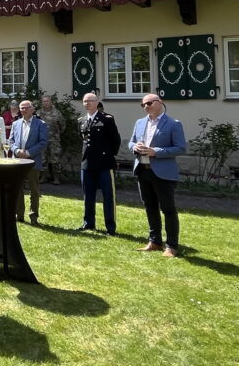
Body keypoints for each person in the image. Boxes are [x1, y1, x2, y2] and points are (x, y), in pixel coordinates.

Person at [128, 94, 186, 256]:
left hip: (163, 173)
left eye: (149, 103)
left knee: (168, 209)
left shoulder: (173, 124)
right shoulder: (140, 123)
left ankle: (171, 246)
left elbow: (180, 148)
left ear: (160, 103)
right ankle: (155, 241)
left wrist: (156, 152)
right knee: (150, 207)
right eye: (143, 105)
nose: (146, 106)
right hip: (143, 170)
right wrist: (135, 147)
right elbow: (131, 142)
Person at [77, 92, 119, 234]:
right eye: (85, 101)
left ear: (97, 102)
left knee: (108, 196)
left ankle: (110, 227)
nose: (87, 103)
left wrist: (108, 155)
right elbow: (83, 140)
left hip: (104, 164)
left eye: (90, 100)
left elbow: (115, 141)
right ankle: (88, 223)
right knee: (88, 195)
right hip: (87, 163)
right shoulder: (81, 120)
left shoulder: (107, 119)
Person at [9, 100, 48, 225]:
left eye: (26, 108)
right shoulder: (15, 124)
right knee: (17, 189)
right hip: (18, 161)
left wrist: (29, 153)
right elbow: (11, 141)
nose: (23, 110)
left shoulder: (40, 124)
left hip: (32, 161)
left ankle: (33, 217)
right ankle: (19, 215)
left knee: (34, 190)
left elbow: (43, 142)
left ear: (33, 109)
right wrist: (16, 150)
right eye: (21, 108)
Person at [38, 95, 64, 184]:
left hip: (54, 140)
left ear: (51, 102)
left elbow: (62, 126)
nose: (46, 103)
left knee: (55, 159)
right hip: (42, 141)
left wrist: (56, 134)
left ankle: (56, 178)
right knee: (42, 159)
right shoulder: (38, 114)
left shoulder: (57, 113)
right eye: (44, 101)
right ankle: (43, 177)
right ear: (42, 103)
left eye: (47, 101)